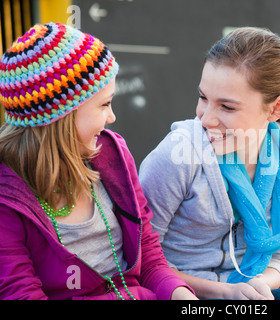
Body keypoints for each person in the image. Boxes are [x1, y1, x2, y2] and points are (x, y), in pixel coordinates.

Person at [0, 22, 197, 300]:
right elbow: (20, 292)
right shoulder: (7, 199)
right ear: (63, 115)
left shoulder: (113, 152)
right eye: (104, 104)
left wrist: (182, 296)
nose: (112, 117)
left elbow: (150, 257)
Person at [139, 27, 280, 300]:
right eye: (203, 97)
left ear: (277, 108)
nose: (206, 119)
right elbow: (141, 261)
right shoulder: (176, 154)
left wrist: (256, 287)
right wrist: (227, 291)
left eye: (227, 107)